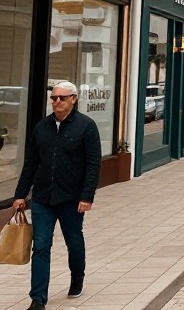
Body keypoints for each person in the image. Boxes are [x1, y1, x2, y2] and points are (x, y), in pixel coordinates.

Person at [13, 81, 101, 310]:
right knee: (40, 246)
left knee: (74, 241)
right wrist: (21, 194)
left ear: (73, 99)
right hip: (43, 197)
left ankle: (77, 276)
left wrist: (87, 196)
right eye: (53, 98)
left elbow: (93, 165)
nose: (56, 102)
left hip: (72, 198)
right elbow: (31, 162)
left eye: (61, 98)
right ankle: (38, 298)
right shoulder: (41, 128)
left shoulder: (86, 126)